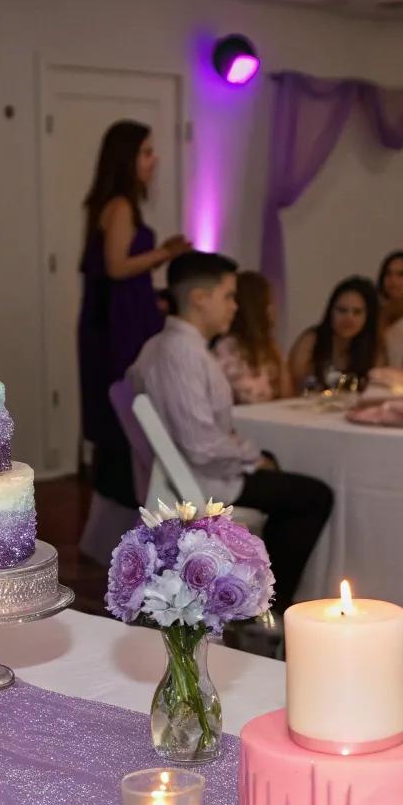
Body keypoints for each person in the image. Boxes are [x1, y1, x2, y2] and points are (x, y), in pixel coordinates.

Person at [129, 252, 333, 614]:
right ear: (199, 298)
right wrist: (251, 456)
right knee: (314, 497)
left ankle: (256, 596)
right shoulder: (182, 353)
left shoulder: (161, 344)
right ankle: (265, 608)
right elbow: (202, 446)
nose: (235, 307)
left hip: (196, 473)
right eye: (228, 296)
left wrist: (249, 455)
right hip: (204, 484)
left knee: (283, 475)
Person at [77, 120, 189, 505]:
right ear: (126, 158)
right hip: (117, 324)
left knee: (125, 407)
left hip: (119, 315)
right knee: (127, 405)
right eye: (145, 152)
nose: (153, 160)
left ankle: (123, 498)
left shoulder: (111, 204)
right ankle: (126, 499)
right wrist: (165, 253)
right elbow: (116, 267)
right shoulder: (121, 205)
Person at [212, 270, 292, 404]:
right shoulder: (227, 348)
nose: (274, 310)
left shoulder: (269, 346)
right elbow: (250, 398)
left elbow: (287, 394)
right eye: (270, 302)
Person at [288, 277, 380, 393]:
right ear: (330, 311)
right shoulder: (312, 340)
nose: (349, 318)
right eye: (342, 310)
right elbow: (293, 385)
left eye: (357, 312)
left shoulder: (373, 347)